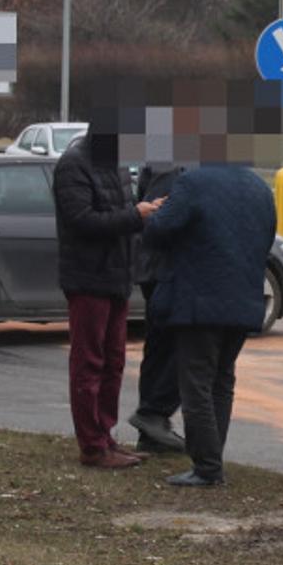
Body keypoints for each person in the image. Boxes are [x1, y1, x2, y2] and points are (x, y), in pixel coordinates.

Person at [143, 163, 278, 487]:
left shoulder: (193, 182)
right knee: (222, 381)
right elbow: (268, 236)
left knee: (196, 385)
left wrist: (153, 213)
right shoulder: (260, 187)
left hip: (199, 302)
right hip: (244, 299)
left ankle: (206, 467)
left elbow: (159, 231)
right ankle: (212, 459)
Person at [54, 133, 161, 469]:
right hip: (88, 278)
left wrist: (142, 218)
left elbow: (121, 216)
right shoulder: (74, 164)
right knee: (89, 362)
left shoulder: (113, 164)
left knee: (113, 362)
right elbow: (81, 221)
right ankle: (92, 446)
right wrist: (136, 216)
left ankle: (106, 436)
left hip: (117, 278)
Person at [127, 165, 187, 455]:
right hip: (165, 268)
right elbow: (156, 217)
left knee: (161, 346)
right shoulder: (174, 160)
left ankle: (153, 428)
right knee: (180, 345)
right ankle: (153, 414)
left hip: (161, 267)